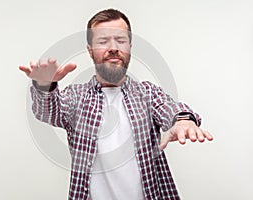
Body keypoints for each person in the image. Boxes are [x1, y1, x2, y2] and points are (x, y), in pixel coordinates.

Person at [19, 8, 213, 200]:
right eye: (103, 41)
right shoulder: (75, 97)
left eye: (121, 40)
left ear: (129, 46)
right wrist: (44, 86)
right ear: (90, 50)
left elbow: (170, 108)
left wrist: (183, 120)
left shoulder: (148, 93)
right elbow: (46, 112)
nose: (113, 47)